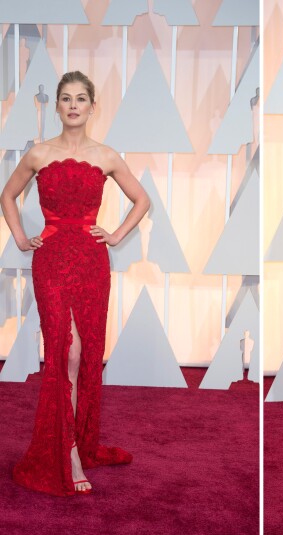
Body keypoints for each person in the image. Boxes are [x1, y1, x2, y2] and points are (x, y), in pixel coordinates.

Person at [4, 71, 150, 496]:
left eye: (80, 98)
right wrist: (18, 236)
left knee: (82, 353)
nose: (72, 105)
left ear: (91, 106)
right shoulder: (39, 153)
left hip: (90, 261)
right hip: (50, 259)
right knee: (63, 350)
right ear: (58, 107)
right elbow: (6, 195)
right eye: (66, 98)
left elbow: (142, 200)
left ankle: (74, 441)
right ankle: (65, 449)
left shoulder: (106, 156)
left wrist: (117, 235)